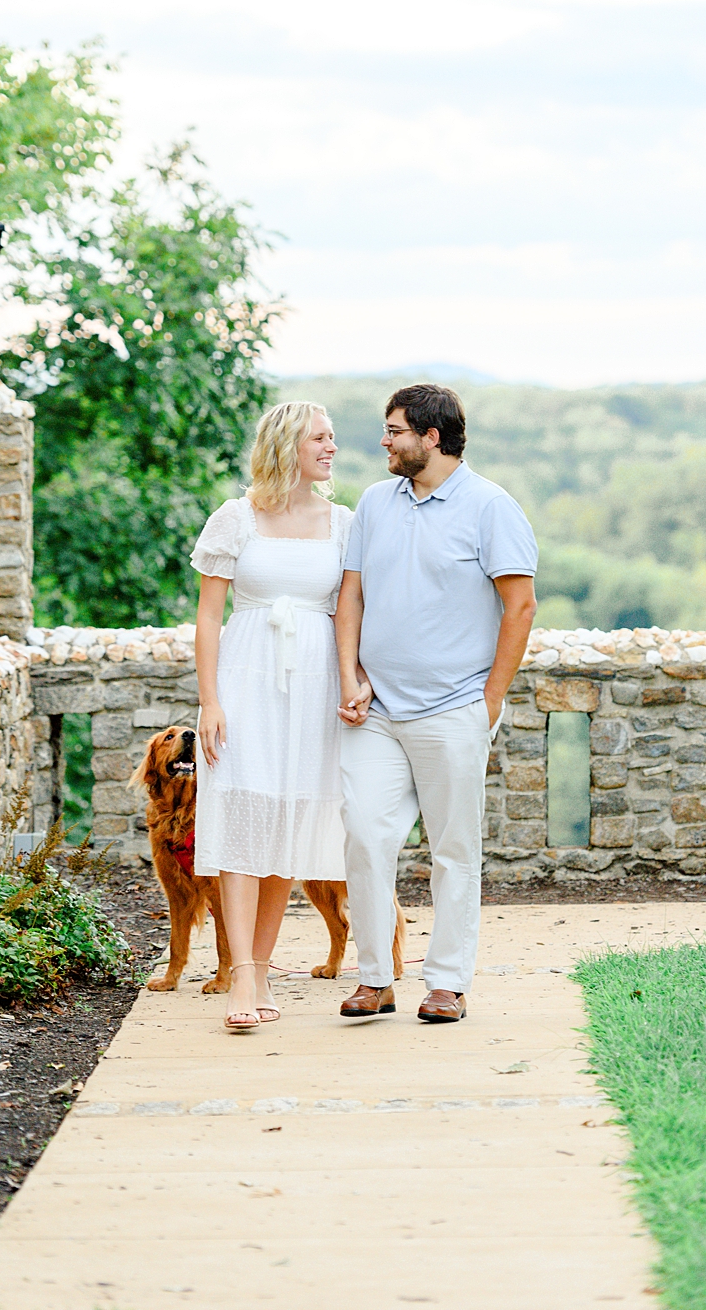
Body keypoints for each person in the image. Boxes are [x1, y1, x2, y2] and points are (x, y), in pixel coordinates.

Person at [336, 383, 537, 1024]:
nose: (385, 443)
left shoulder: (491, 507)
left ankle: (447, 982)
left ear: (432, 437)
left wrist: (490, 699)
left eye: (395, 431)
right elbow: (351, 598)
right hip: (378, 714)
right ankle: (375, 978)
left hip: (454, 710)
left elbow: (521, 605)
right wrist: (351, 676)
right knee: (365, 837)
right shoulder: (373, 503)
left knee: (454, 850)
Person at [190, 401, 354, 1031]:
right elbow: (209, 615)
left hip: (312, 685)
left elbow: (349, 613)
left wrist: (351, 682)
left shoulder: (342, 523)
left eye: (333, 438)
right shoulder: (235, 519)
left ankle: (261, 968)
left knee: (287, 820)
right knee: (240, 817)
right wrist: (210, 699)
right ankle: (238, 978)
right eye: (321, 437)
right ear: (289, 444)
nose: (331, 447)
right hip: (246, 678)